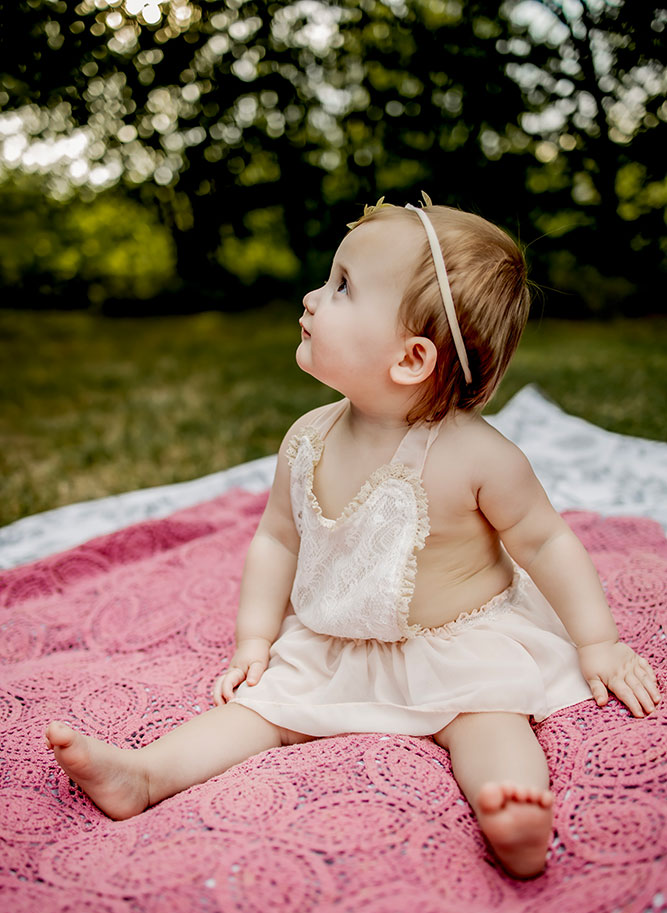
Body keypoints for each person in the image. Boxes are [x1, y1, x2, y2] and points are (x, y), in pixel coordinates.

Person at [45, 195, 660, 878]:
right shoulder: (308, 437)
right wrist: (255, 639)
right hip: (335, 640)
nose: (311, 297)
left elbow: (545, 542)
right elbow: (277, 539)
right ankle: (147, 774)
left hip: (456, 642)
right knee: (260, 711)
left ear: (410, 358)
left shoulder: (477, 458)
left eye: (341, 287)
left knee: (488, 716)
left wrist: (596, 642)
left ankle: (510, 807)